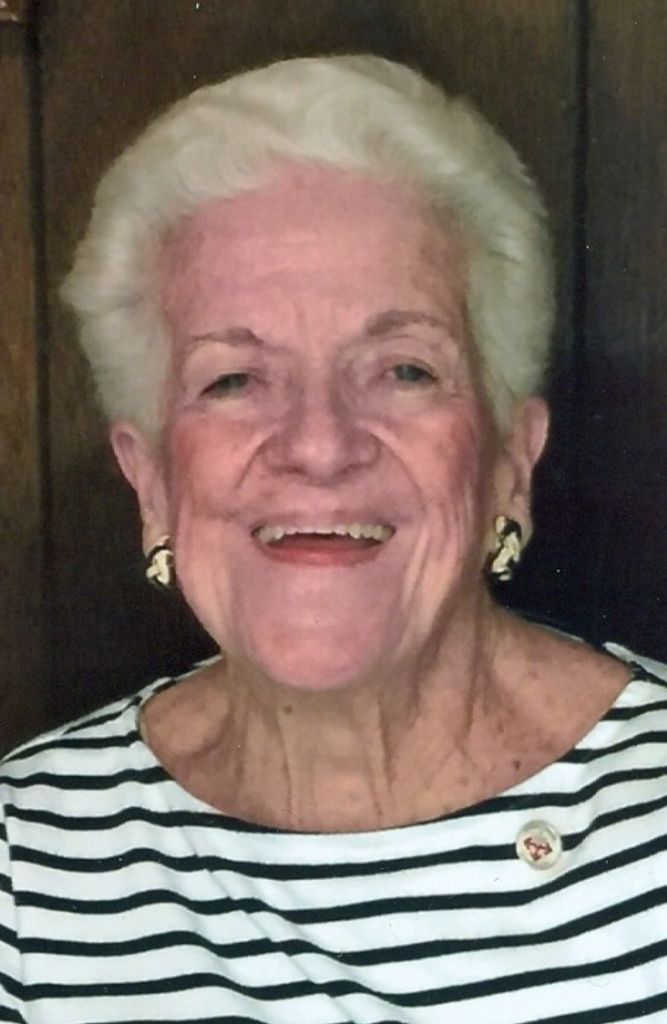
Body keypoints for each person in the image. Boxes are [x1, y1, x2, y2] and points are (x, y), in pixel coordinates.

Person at [1, 55, 666, 1024]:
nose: (319, 445)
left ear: (508, 462)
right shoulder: (25, 866)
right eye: (233, 379)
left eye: (402, 369)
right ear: (150, 479)